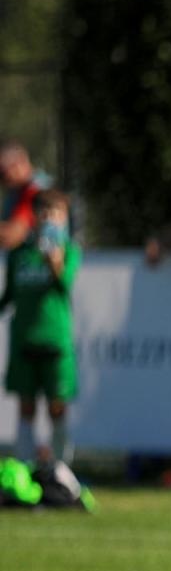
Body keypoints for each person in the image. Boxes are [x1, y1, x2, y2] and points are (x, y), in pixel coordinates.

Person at [2, 190, 80, 466]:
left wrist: (54, 258)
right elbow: (9, 295)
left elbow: (64, 284)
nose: (50, 219)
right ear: (33, 216)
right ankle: (25, 469)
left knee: (57, 408)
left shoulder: (69, 251)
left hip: (55, 341)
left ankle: (60, 471)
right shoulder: (19, 255)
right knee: (26, 407)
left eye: (57, 214)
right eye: (44, 213)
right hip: (24, 339)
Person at [0, 141, 53, 252]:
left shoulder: (34, 191)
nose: (3, 179)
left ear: (20, 163)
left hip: (37, 265)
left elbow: (13, 235)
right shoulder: (18, 191)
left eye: (3, 172)